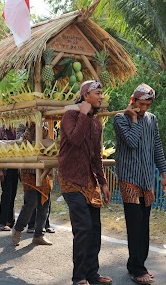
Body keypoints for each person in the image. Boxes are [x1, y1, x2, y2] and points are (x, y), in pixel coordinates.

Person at [113, 83, 166, 284]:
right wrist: (135, 118)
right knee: (135, 225)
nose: (144, 108)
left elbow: (157, 148)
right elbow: (131, 142)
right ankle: (138, 269)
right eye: (141, 104)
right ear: (133, 100)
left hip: (147, 180)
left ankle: (137, 264)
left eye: (147, 104)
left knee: (144, 224)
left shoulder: (152, 119)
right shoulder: (120, 118)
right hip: (129, 179)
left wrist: (164, 174)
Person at [58, 80, 112, 285]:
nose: (101, 96)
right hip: (71, 179)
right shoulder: (70, 116)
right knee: (83, 229)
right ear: (85, 95)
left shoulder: (97, 123)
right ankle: (79, 277)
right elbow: (75, 139)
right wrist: (83, 113)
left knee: (95, 229)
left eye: (101, 93)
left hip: (90, 182)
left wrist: (104, 183)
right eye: (97, 93)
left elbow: (96, 156)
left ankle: (92, 274)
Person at [12, 122, 53, 246]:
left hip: (44, 168)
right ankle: (17, 230)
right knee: (31, 202)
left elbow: (51, 139)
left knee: (45, 203)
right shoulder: (21, 125)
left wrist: (42, 127)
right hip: (28, 169)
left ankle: (39, 235)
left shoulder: (46, 123)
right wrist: (31, 127)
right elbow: (22, 142)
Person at [0, 126, 19, 231]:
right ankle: (3, 221)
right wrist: (0, 169)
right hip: (5, 166)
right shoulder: (1, 130)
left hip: (16, 166)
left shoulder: (16, 129)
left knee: (13, 193)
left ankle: (11, 221)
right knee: (7, 193)